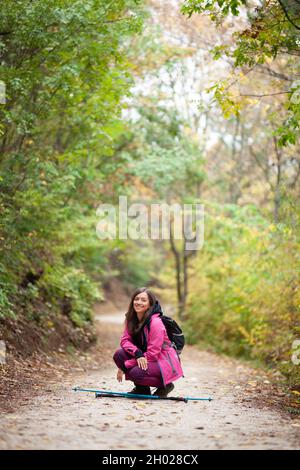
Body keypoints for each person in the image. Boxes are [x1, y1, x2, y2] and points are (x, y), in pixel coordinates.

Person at [113, 287, 184, 397]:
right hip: (146, 356)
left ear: (150, 304)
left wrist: (125, 366)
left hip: (162, 360)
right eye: (136, 299)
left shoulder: (156, 323)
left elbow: (152, 355)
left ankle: (165, 385)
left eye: (143, 300)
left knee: (135, 373)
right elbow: (125, 340)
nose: (139, 302)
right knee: (119, 355)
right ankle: (142, 389)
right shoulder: (131, 319)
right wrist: (137, 353)